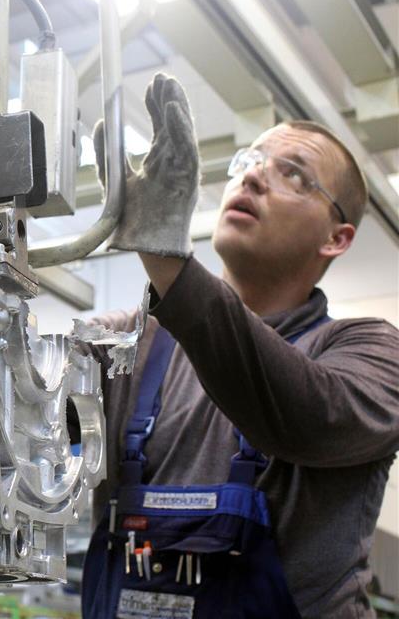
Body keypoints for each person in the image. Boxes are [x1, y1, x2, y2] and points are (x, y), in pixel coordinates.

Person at [75, 74, 399, 618]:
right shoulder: (128, 341)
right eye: (248, 161)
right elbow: (17, 397)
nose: (253, 177)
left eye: (292, 174)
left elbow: (303, 415)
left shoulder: (370, 352)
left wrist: (168, 261)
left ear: (336, 238)